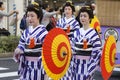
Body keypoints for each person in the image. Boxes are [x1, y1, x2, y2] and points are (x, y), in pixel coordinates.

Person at [13, 2, 48, 80]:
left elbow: (48, 51)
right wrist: (19, 49)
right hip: (27, 65)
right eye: (28, 16)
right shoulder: (26, 31)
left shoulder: (44, 32)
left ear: (38, 17)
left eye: (32, 16)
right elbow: (21, 44)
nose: (29, 18)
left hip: (38, 66)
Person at [73, 6, 102, 80]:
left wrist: (91, 68)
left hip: (87, 64)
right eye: (81, 16)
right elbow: (71, 46)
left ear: (90, 18)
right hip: (76, 64)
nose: (82, 18)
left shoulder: (93, 33)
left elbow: (97, 51)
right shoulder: (76, 32)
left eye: (85, 16)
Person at [56, 1, 80, 80]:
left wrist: (71, 46)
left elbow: (76, 36)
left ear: (72, 11)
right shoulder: (60, 21)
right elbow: (57, 33)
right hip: (60, 45)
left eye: (69, 9)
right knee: (60, 64)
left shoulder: (75, 23)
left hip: (70, 46)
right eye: (66, 9)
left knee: (69, 66)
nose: (67, 11)